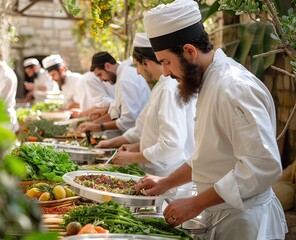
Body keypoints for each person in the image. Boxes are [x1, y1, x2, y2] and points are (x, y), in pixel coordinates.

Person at [136, 0, 287, 239]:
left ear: (189, 51)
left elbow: (261, 166)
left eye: (166, 61)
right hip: (221, 217)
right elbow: (209, 157)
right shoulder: (209, 82)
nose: (164, 72)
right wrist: (166, 182)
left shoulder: (233, 87)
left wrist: (196, 203)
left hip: (244, 223)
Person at [97, 33, 196, 177]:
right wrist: (136, 147)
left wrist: (133, 157)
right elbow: (149, 131)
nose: (137, 72)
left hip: (166, 176)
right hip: (154, 173)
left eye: (137, 65)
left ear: (146, 62)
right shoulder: (161, 85)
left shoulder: (168, 88)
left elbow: (171, 145)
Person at [77, 52, 151, 135]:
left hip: (141, 135)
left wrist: (99, 127)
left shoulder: (124, 80)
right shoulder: (123, 75)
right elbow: (115, 112)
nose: (101, 80)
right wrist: (93, 124)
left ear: (107, 66)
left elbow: (128, 121)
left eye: (100, 75)